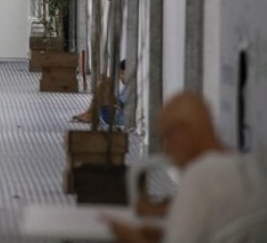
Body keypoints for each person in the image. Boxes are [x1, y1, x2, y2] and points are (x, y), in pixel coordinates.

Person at [107, 91, 266, 243]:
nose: (165, 148)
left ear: (185, 132)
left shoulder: (200, 177)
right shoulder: (249, 167)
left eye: (167, 136)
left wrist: (130, 238)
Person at [72, 59, 126, 126]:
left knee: (102, 85)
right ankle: (89, 113)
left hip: (116, 118)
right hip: (112, 113)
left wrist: (109, 94)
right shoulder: (126, 87)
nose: (120, 77)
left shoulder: (131, 89)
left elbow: (119, 105)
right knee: (102, 83)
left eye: (122, 73)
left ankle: (91, 114)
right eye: (120, 74)